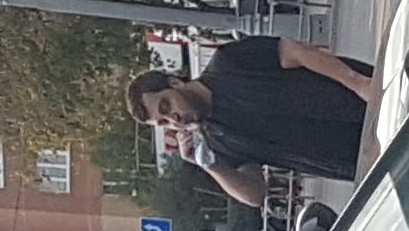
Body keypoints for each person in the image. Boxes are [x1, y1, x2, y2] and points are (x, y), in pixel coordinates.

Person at [130, 36, 378, 209]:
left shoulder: (229, 61)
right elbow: (254, 194)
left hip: (365, 100)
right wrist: (211, 166)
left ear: (174, 83)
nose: (173, 119)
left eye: (166, 106)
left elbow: (297, 53)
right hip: (360, 158)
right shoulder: (217, 143)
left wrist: (358, 83)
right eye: (163, 123)